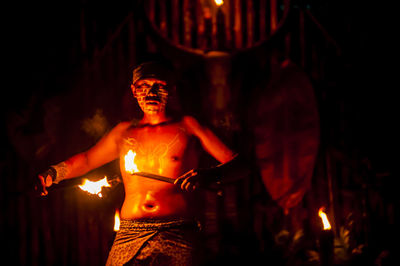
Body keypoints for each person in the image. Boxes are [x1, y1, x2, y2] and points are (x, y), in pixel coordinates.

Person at [37, 61, 237, 265]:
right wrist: (53, 174)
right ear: (134, 90)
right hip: (130, 234)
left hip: (178, 231)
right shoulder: (124, 132)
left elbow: (240, 164)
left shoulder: (188, 126)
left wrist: (211, 175)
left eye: (159, 85)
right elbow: (87, 160)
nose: (151, 92)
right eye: (143, 86)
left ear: (172, 88)